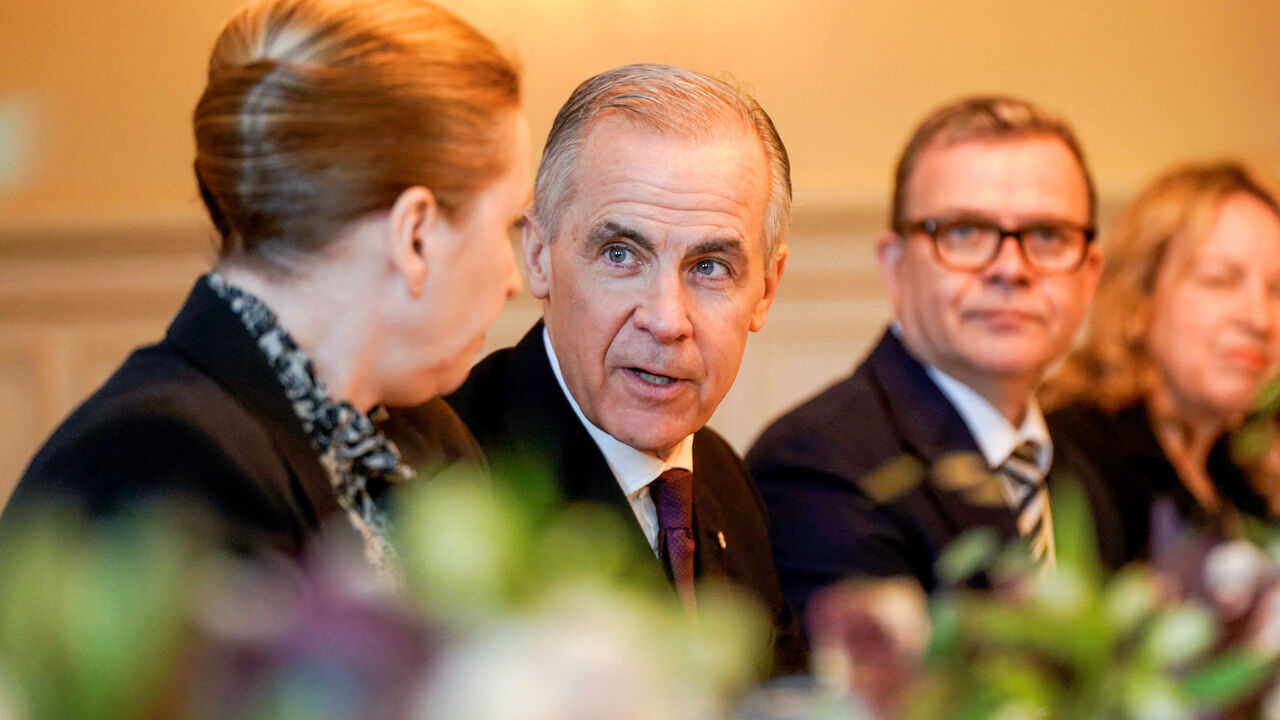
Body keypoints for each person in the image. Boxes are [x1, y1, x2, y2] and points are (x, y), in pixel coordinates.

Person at [3, 0, 529, 577]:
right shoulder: (159, 466)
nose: (513, 279)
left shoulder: (430, 436)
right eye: (506, 224)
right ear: (415, 236)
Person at [444, 63, 804, 672]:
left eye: (710, 266)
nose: (667, 320)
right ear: (538, 256)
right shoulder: (453, 476)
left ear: (765, 291)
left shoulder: (725, 481)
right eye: (621, 254)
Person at [747, 96, 1128, 622]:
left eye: (1047, 236)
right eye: (965, 232)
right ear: (895, 266)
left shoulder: (1082, 476)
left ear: (1089, 275)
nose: (1011, 268)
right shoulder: (820, 469)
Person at [1042, 162, 1280, 549]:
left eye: (1277, 290)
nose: (1260, 319)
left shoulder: (1242, 475)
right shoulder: (1069, 460)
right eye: (1219, 280)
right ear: (1138, 302)